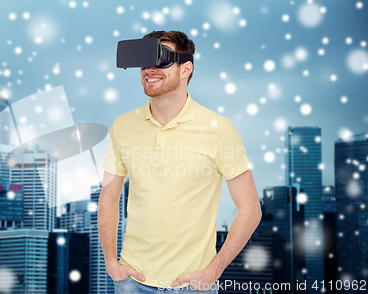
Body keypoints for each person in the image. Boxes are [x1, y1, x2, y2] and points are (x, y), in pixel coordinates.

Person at [98, 30, 262, 294]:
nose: (149, 68)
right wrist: (110, 263)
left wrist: (214, 271)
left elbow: (251, 208)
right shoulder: (122, 127)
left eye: (161, 58)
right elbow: (108, 197)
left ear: (186, 68)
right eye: (144, 60)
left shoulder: (218, 129)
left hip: (191, 286)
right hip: (131, 283)